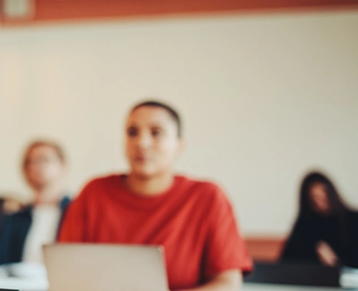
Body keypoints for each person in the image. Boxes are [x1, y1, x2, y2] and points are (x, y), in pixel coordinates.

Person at [59, 100, 253, 291]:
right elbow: (63, 272)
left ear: (179, 145)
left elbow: (228, 284)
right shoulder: (94, 193)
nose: (142, 143)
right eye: (132, 132)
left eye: (156, 132)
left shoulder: (207, 197)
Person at [0, 140, 71, 266]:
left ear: (62, 166)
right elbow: (2, 260)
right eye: (30, 162)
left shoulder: (77, 212)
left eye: (44, 160)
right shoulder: (15, 216)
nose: (36, 166)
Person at [280, 171, 358, 268]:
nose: (321, 203)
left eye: (323, 196)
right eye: (314, 198)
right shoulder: (304, 225)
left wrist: (335, 262)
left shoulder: (352, 220)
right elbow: (286, 263)